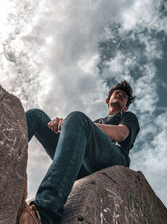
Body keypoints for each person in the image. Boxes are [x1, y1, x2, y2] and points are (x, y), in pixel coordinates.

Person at [19, 80, 140, 224]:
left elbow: (121, 134)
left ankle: (44, 213)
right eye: (117, 93)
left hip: (114, 161)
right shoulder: (96, 122)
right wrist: (63, 126)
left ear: (126, 107)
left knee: (77, 118)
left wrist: (71, 122)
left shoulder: (127, 116)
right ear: (108, 100)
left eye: (124, 96)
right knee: (36, 116)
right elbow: (73, 139)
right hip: (84, 165)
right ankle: (6, 156)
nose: (120, 95)